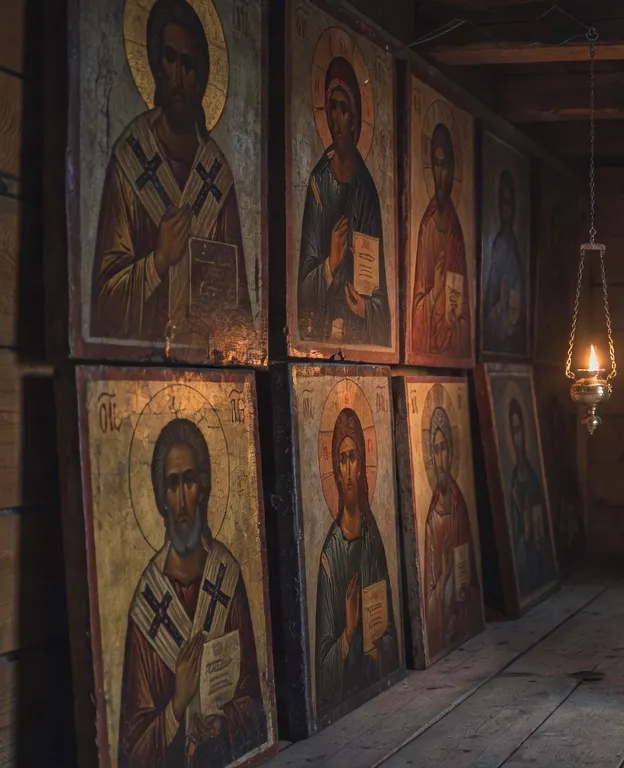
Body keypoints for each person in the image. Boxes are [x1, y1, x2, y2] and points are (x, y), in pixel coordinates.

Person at [92, 0, 251, 345]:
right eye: (169, 58)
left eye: (188, 64)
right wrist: (158, 261)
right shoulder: (130, 156)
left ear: (202, 76)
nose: (178, 77)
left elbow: (239, 315)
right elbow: (103, 301)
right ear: (154, 64)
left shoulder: (216, 174)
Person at [118, 418, 267, 766]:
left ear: (204, 487)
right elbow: (134, 748)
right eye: (172, 485)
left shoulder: (226, 576)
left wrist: (224, 720)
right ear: (161, 497)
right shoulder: (147, 603)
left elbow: (253, 696)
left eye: (189, 481)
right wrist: (177, 705)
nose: (183, 500)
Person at [296, 56, 391, 347]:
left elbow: (378, 291)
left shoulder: (367, 190)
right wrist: (331, 263)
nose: (336, 118)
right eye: (332, 108)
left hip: (355, 330)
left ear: (355, 119)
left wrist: (365, 308)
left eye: (344, 109)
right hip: (322, 328)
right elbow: (303, 287)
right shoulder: (317, 182)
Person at [314, 407, 398, 714]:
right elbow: (323, 667)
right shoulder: (329, 556)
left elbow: (391, 634)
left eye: (353, 458)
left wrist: (377, 640)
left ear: (362, 465)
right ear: (334, 469)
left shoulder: (373, 539)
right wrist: (349, 632)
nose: (348, 468)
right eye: (342, 458)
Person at [410, 124, 471, 357]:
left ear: (453, 169)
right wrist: (436, 291)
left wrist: (454, 325)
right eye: (436, 164)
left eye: (446, 165)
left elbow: (464, 314)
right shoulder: (426, 229)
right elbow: (416, 312)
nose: (441, 174)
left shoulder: (456, 233)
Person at [421, 406, 476, 656]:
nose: (440, 456)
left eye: (444, 448)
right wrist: (444, 574)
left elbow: (467, 561)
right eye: (435, 448)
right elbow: (429, 593)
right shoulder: (431, 514)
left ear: (451, 451)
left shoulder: (459, 503)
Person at [504, 396, 554, 595]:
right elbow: (514, 534)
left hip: (539, 556)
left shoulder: (533, 476)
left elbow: (542, 529)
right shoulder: (513, 481)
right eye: (513, 431)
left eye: (520, 430)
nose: (518, 438)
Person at [482, 169, 526, 354]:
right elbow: (493, 287)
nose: (506, 210)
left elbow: (518, 284)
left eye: (510, 204)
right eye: (503, 203)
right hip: (499, 314)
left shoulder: (512, 241)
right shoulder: (500, 242)